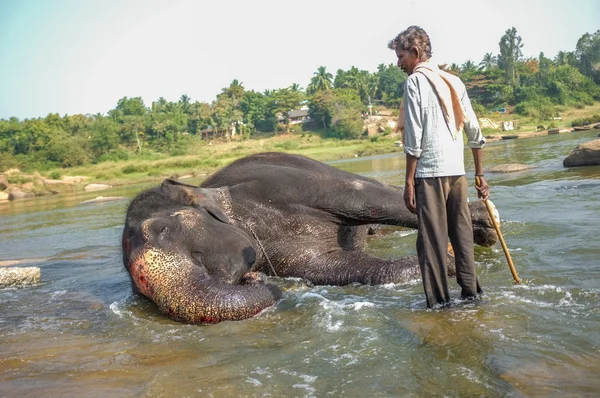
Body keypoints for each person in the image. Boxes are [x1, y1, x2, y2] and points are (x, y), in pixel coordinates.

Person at [388, 26, 490, 308]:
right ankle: (472, 296)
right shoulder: (453, 81)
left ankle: (440, 305)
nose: (398, 63)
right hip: (458, 174)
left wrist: (408, 182)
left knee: (431, 245)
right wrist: (479, 175)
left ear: (416, 53)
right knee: (462, 238)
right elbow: (475, 132)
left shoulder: (415, 83)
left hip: (430, 175)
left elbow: (414, 138)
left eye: (400, 57)